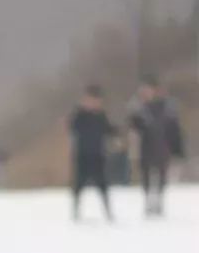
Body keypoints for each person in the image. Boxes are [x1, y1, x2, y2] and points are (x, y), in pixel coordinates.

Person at [127, 75, 186, 216]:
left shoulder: (167, 107)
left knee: (161, 175)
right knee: (146, 175)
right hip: (146, 147)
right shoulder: (140, 108)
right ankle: (148, 201)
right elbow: (134, 127)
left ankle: (159, 201)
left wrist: (178, 149)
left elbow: (175, 129)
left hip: (162, 146)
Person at [68, 85, 117, 221]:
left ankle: (108, 212)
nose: (93, 103)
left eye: (95, 100)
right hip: (82, 155)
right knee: (79, 186)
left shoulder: (101, 116)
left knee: (103, 185)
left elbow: (109, 130)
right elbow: (73, 127)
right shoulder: (79, 115)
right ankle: (76, 212)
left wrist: (117, 132)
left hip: (98, 156)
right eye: (90, 100)